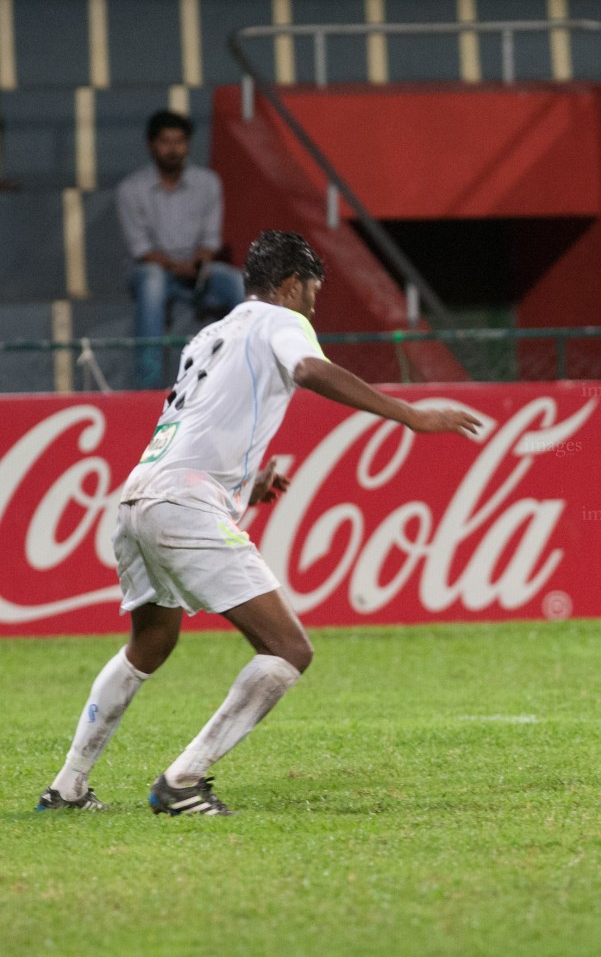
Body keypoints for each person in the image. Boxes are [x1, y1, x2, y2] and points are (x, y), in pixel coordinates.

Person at [35, 231, 481, 816]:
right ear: (292, 284)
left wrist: (247, 483)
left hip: (139, 496)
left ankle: (68, 785)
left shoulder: (209, 335)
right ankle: (183, 782)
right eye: (313, 291)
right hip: (183, 504)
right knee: (288, 648)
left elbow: (201, 420)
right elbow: (311, 371)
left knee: (150, 642)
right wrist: (410, 415)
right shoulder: (281, 320)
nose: (314, 305)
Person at [117, 110, 248, 390]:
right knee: (151, 281)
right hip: (153, 271)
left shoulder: (208, 183)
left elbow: (211, 240)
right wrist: (177, 267)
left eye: (179, 141)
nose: (173, 149)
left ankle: (246, 371)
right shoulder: (131, 189)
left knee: (237, 282)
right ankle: (148, 382)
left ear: (188, 144)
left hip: (197, 269)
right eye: (165, 141)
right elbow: (140, 248)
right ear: (151, 145)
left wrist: (197, 263)